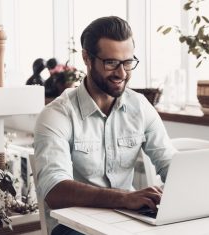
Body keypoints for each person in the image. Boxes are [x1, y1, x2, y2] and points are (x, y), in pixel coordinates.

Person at [33, 16, 176, 235]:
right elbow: (55, 190)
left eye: (128, 62)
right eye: (111, 63)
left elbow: (170, 164)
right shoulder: (56, 115)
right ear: (87, 58)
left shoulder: (140, 106)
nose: (122, 73)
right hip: (73, 226)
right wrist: (125, 198)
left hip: (128, 221)